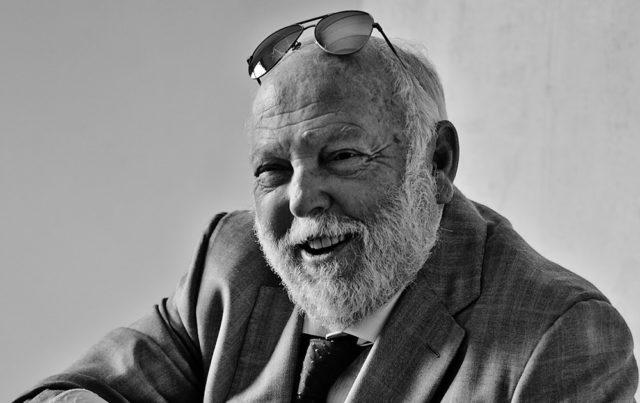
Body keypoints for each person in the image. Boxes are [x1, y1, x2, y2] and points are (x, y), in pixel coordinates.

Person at [17, 10, 637, 402]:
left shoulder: (560, 339)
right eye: (273, 170)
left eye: (341, 156)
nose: (301, 198)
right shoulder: (232, 264)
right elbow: (77, 391)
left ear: (437, 162)